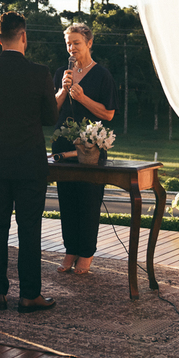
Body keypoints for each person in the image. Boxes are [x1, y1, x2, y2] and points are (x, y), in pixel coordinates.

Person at [0, 11, 58, 313]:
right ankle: (29, 295)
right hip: (28, 164)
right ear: (24, 37)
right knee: (29, 229)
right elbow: (50, 118)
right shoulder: (40, 72)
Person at [49, 24, 116, 276]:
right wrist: (63, 91)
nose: (71, 47)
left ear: (89, 43)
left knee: (88, 202)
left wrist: (83, 97)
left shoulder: (102, 75)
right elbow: (51, 111)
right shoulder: (61, 73)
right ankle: (70, 250)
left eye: (76, 42)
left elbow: (108, 114)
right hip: (62, 147)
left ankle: (86, 253)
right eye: (68, 43)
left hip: (90, 149)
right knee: (67, 201)